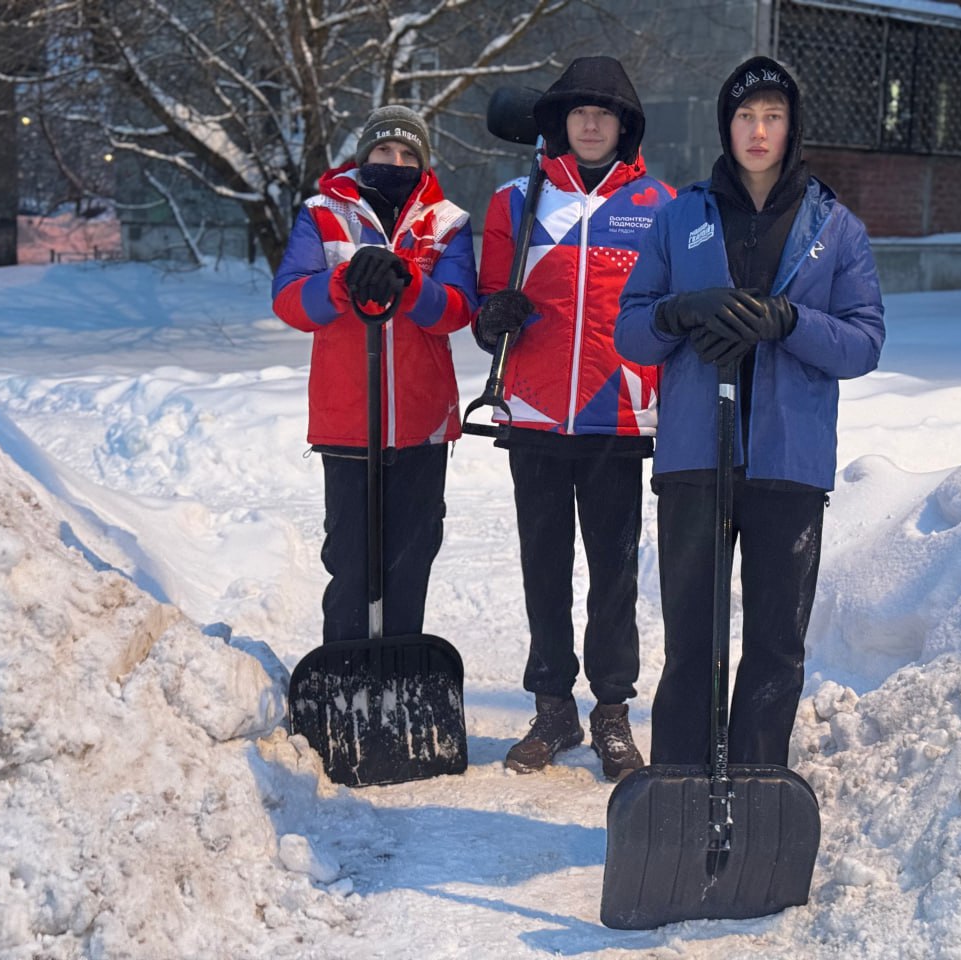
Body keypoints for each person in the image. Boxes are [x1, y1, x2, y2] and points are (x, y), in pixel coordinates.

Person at [614, 56, 885, 766]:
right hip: (695, 458)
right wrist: (679, 309)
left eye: (772, 116)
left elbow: (863, 343)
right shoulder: (682, 217)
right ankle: (679, 785)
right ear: (725, 126)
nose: (757, 131)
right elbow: (631, 329)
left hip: (788, 461)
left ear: (791, 127)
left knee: (774, 642)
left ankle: (758, 784)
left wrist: (790, 321)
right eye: (744, 116)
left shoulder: (837, 228)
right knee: (693, 638)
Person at [473, 56, 675, 781]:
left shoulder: (663, 205)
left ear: (625, 125)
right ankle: (552, 706)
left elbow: (669, 315)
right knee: (544, 567)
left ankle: (612, 713)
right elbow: (489, 298)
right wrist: (492, 317)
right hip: (532, 415)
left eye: (605, 112)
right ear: (558, 122)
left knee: (614, 575)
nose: (591, 123)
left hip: (617, 420)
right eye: (578, 111)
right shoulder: (514, 201)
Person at [272, 105, 477, 644]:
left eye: (410, 153)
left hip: (421, 419)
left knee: (410, 558)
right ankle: (345, 669)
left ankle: (401, 674)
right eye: (385, 150)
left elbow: (456, 310)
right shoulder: (322, 214)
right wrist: (342, 282)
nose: (397, 160)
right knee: (352, 560)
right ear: (364, 156)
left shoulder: (447, 222)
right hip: (347, 420)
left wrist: (408, 282)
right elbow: (291, 301)